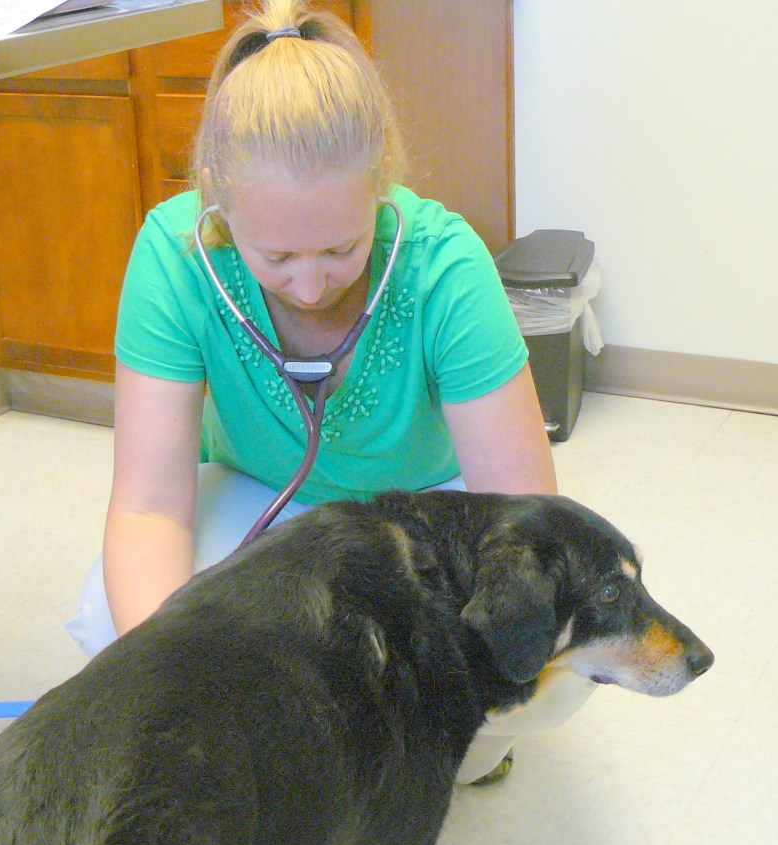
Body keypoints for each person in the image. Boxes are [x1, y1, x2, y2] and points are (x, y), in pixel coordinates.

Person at [67, 0, 564, 783]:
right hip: (263, 498)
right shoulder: (174, 255)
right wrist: (181, 685)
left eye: (341, 248)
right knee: (114, 624)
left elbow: (525, 523)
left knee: (515, 695)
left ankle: (463, 754)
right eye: (275, 257)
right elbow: (149, 507)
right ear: (216, 198)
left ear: (382, 180)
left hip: (427, 515)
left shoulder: (446, 266)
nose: (307, 285)